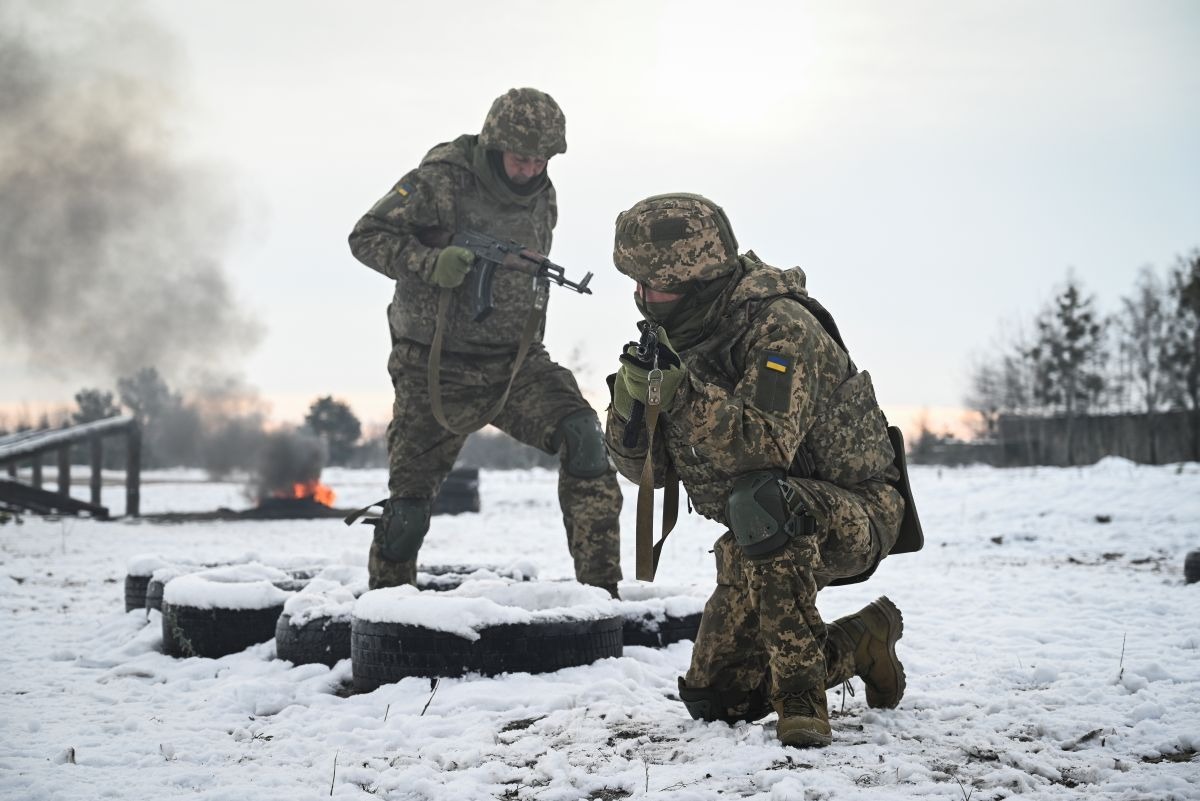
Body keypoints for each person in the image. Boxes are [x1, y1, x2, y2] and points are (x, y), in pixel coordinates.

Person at [603, 193, 921, 748]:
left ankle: (801, 703)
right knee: (718, 700)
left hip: (856, 510)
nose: (641, 296)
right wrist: (633, 407)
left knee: (763, 498)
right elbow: (644, 473)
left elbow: (764, 444)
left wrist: (682, 400)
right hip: (764, 534)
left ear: (695, 281)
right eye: (637, 283)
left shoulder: (779, 326)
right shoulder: (678, 333)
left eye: (652, 284)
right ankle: (865, 640)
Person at [347, 88, 622, 595]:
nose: (531, 170)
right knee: (407, 509)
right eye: (522, 159)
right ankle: (386, 618)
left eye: (542, 160)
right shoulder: (439, 181)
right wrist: (432, 263)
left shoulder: (543, 192)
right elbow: (366, 236)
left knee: (584, 438)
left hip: (516, 366)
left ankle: (603, 601)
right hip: (435, 368)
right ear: (496, 146)